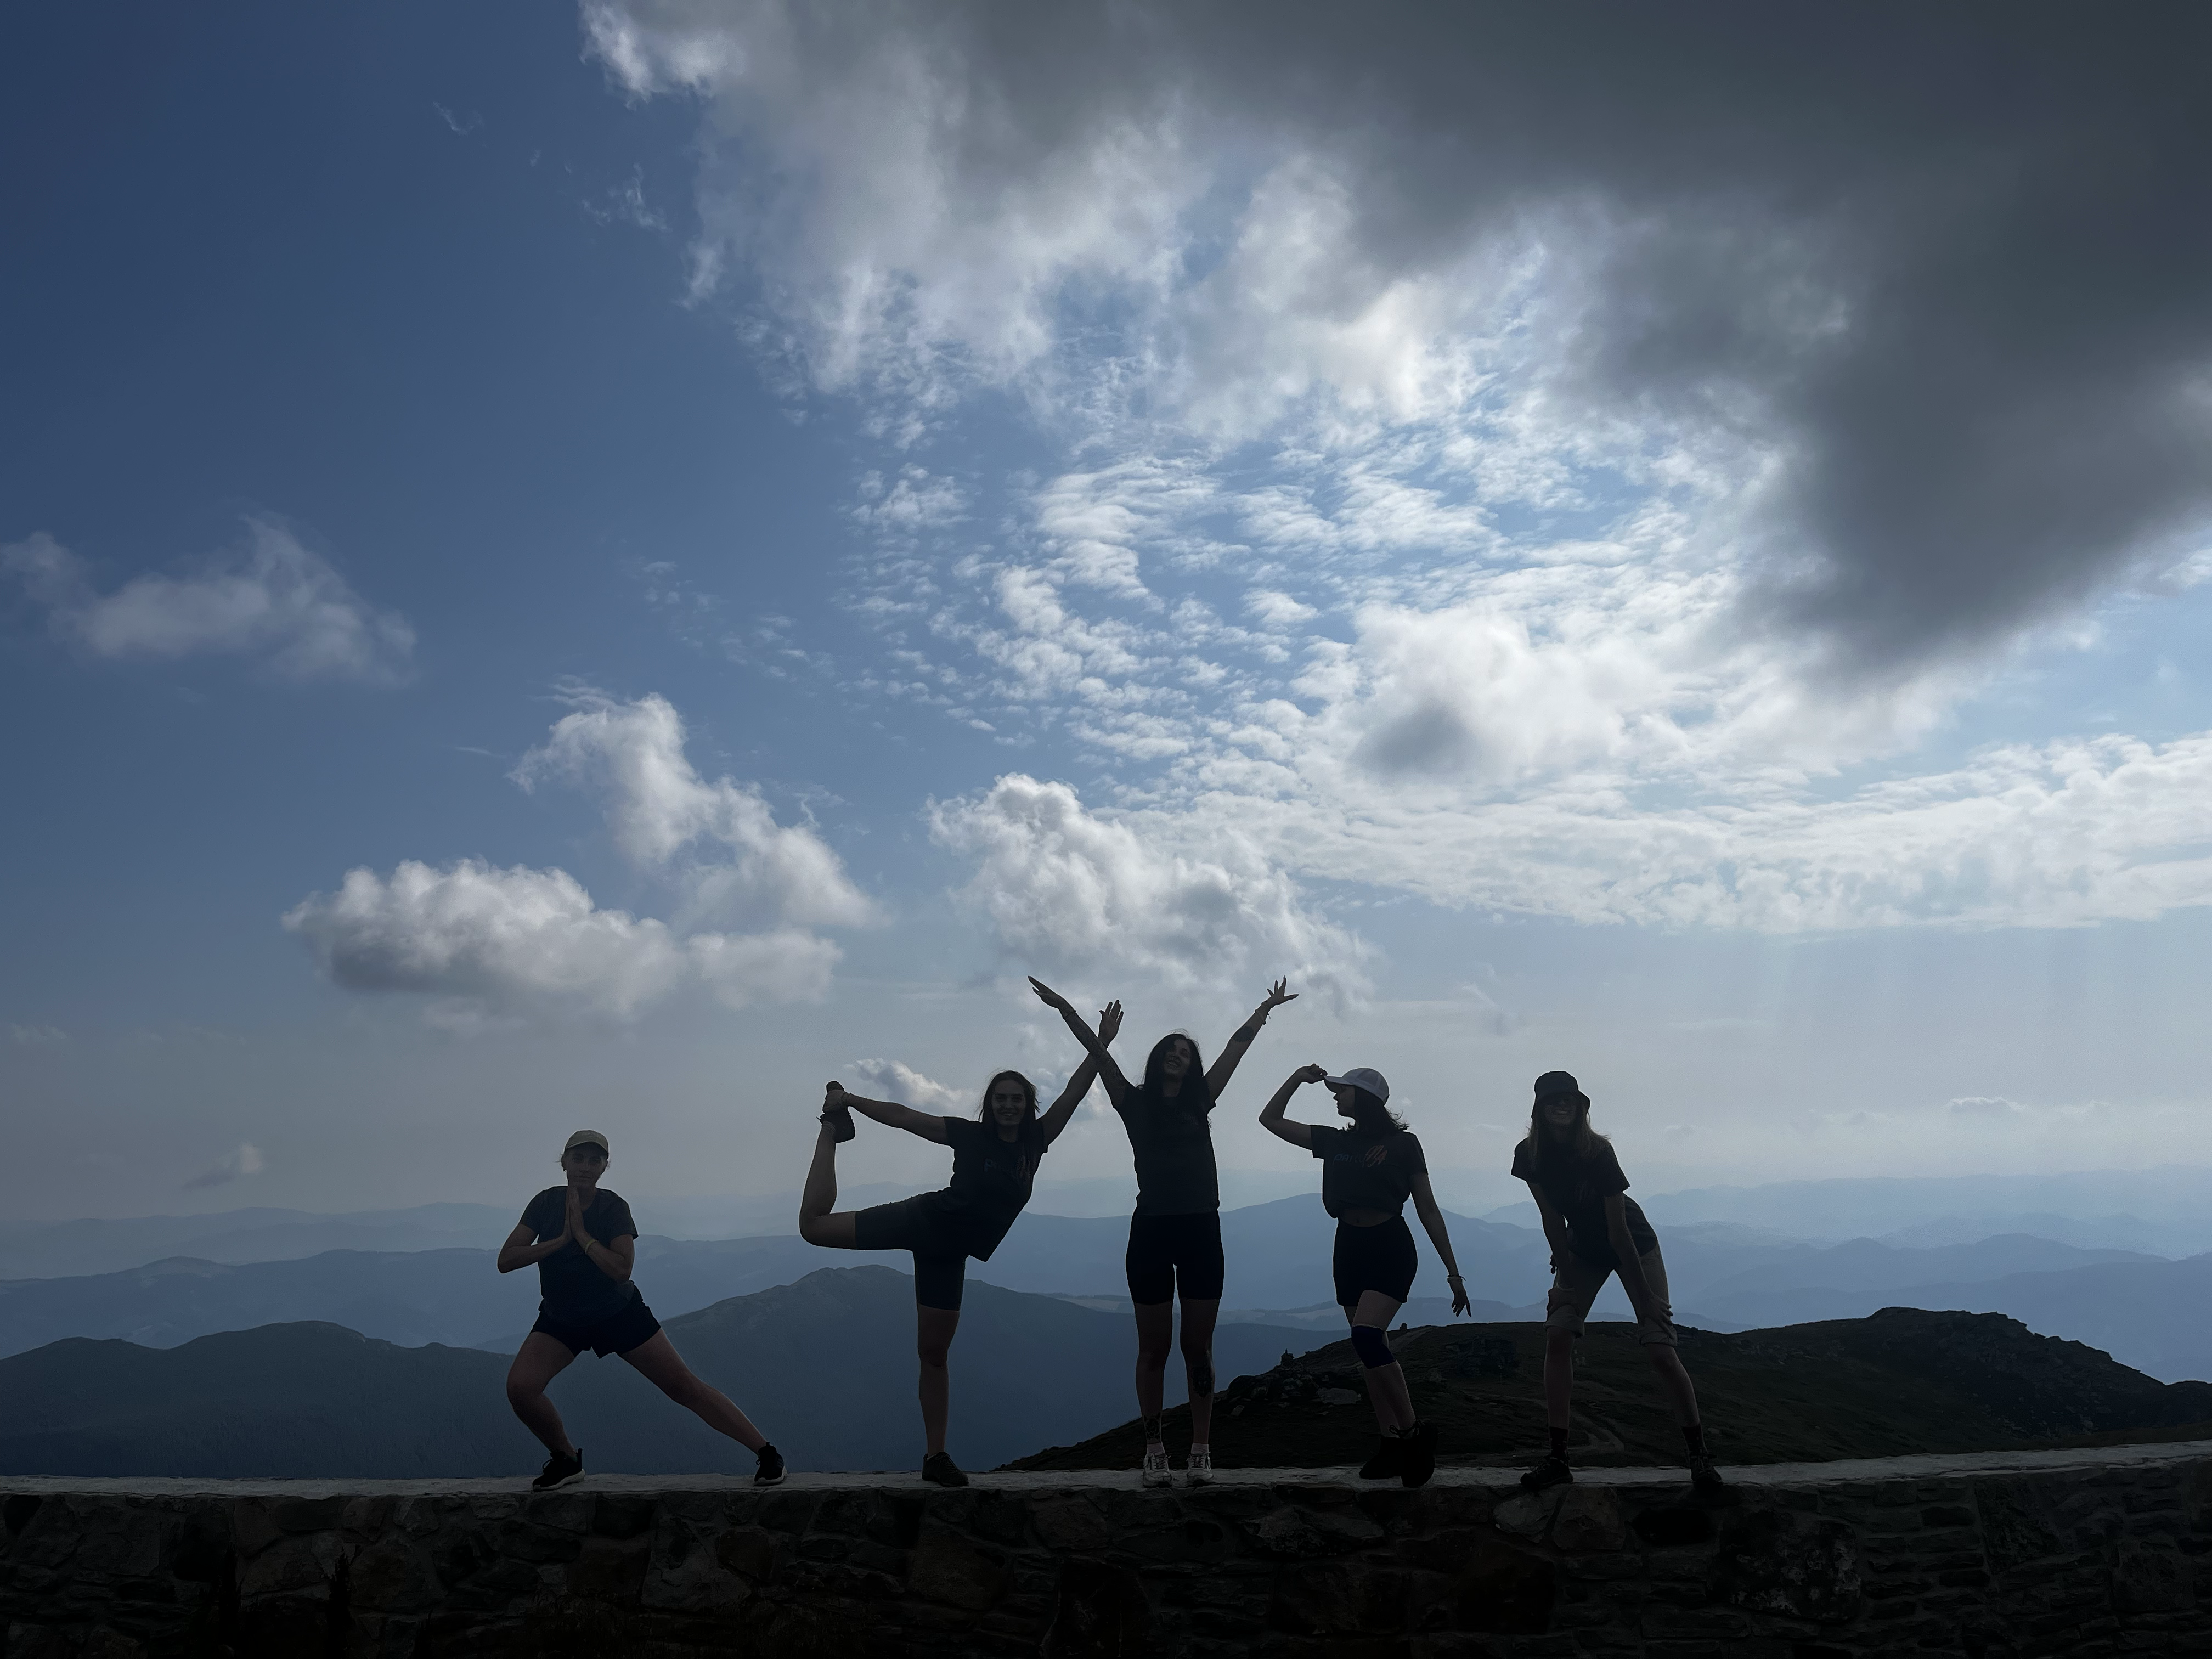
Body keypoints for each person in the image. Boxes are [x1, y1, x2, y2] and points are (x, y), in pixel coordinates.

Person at [799, 1007, 1119, 1488]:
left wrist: (1101, 1043)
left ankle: (936, 1457)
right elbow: (908, 1118)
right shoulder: (970, 1136)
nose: (1008, 1106)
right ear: (989, 1105)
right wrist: (849, 1101)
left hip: (950, 1254)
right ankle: (830, 1128)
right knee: (813, 1227)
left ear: (1029, 1105)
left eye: (1016, 1099)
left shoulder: (1038, 1138)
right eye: (1000, 1099)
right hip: (921, 1221)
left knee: (934, 1353)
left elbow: (1076, 1090)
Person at [1030, 977, 1297, 1488]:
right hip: (1151, 1231)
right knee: (1153, 1347)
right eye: (1171, 1051)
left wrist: (1264, 1010)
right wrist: (1067, 1009)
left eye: (1186, 1053)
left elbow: (1235, 1050)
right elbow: (1096, 1056)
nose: (1179, 1056)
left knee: (1198, 1346)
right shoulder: (1131, 1101)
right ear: (1157, 1059)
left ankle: (1200, 1449)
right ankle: (1154, 1450)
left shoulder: (1202, 1100)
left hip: (1201, 1230)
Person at [498, 1130, 784, 1491]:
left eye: (594, 1160)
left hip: (619, 1313)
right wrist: (559, 1241)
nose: (585, 1167)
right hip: (562, 1318)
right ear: (565, 1162)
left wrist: (583, 1237)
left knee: (683, 1387)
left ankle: (767, 1452)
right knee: (521, 1388)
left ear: (604, 1166)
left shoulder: (613, 1207)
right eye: (579, 1158)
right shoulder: (544, 1203)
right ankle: (566, 1460)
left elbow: (621, 1269)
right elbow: (507, 1260)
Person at [1259, 1063, 1470, 1488]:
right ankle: (1390, 1443)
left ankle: (1412, 1433)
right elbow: (1271, 1120)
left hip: (1389, 1245)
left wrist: (1453, 1271)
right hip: (1349, 1247)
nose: (1335, 1096)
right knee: (1370, 1350)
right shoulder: (1334, 1140)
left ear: (1366, 1097)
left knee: (1367, 1337)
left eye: (1343, 1091)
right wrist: (1297, 1079)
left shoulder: (1404, 1145)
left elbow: (1427, 1207)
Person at [1511, 1070, 1722, 1494]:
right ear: (1539, 1108)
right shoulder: (1529, 1155)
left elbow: (1619, 1232)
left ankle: (1699, 1456)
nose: (1562, 1105)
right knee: (1557, 1337)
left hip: (1633, 1244)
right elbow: (1551, 1218)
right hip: (1582, 1247)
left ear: (1581, 1106)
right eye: (1554, 1100)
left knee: (1661, 1349)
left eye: (1569, 1099)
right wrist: (1566, 1281)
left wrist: (1646, 1300)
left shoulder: (1598, 1153)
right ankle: (1558, 1458)